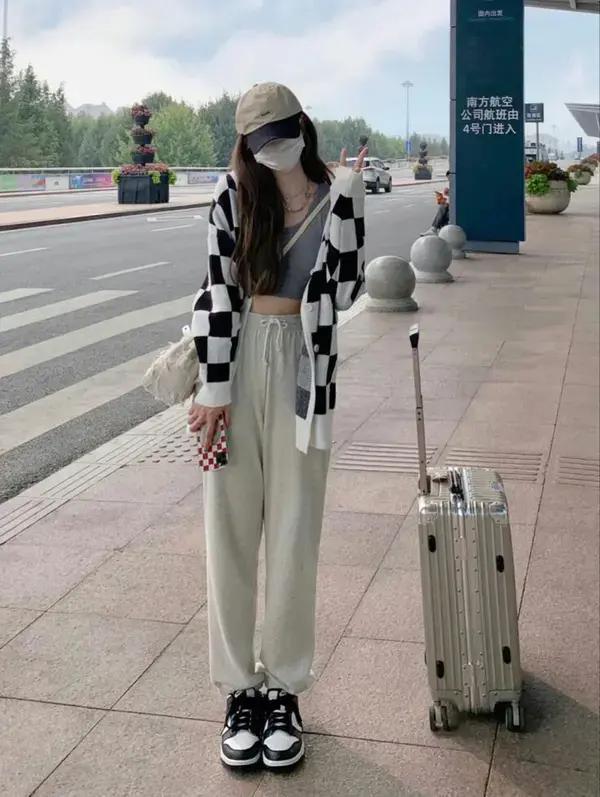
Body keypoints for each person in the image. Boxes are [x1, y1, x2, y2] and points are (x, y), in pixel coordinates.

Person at [188, 82, 366, 772]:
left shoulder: (336, 195)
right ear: (247, 145)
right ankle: (239, 690)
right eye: (261, 143)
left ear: (302, 128)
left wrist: (343, 198)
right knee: (229, 530)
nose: (274, 150)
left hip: (304, 370)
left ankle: (284, 689)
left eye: (283, 136)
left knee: (295, 531)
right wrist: (213, 388)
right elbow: (216, 289)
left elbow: (346, 290)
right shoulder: (233, 195)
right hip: (236, 364)